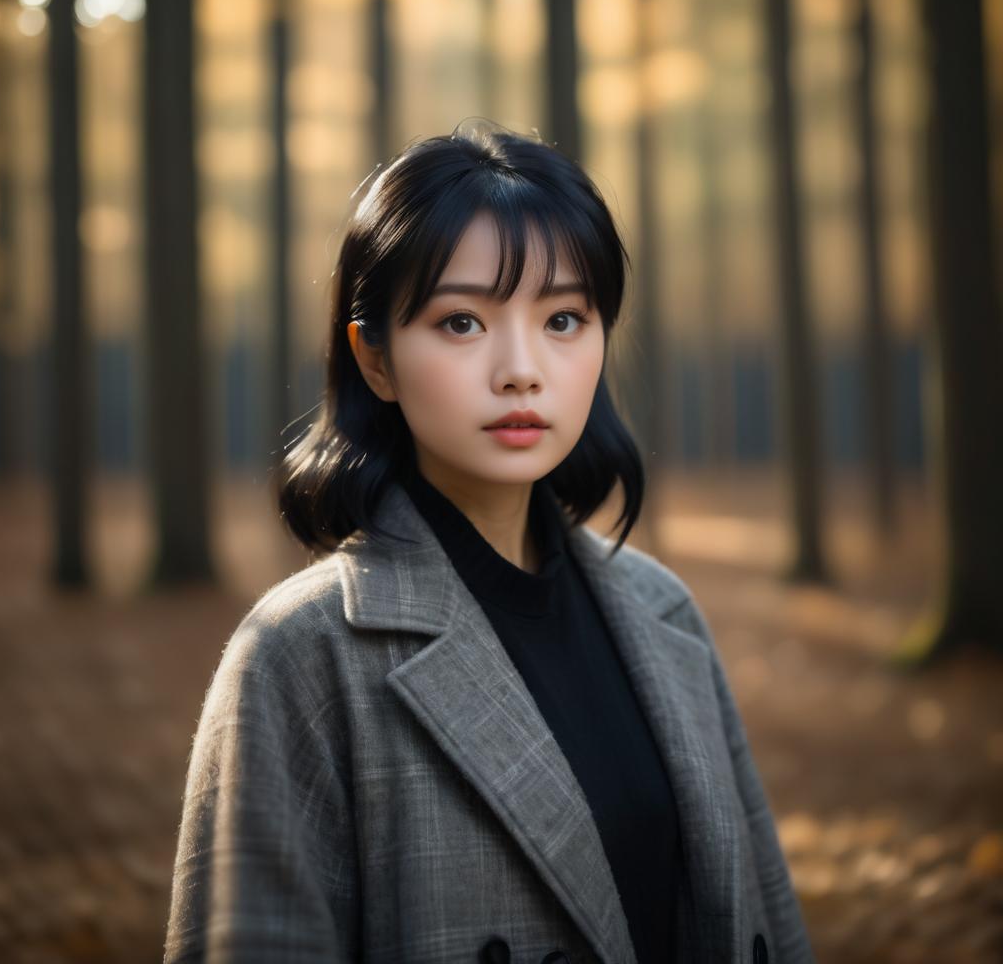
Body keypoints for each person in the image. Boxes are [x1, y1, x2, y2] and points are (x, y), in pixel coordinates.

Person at [163, 122, 815, 964]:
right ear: (376, 359)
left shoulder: (665, 614)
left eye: (565, 318)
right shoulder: (301, 655)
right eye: (463, 322)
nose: (521, 368)